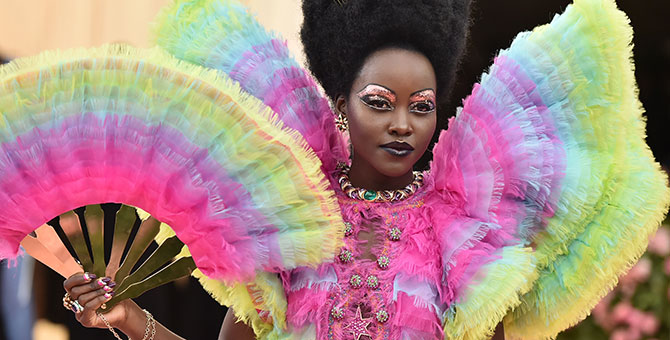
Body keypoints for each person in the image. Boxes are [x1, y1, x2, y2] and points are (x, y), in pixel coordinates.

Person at [61, 0, 670, 339]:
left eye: (422, 107)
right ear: (341, 107)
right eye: (380, 103)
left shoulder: (459, 241)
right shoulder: (294, 221)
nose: (402, 124)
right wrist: (128, 319)